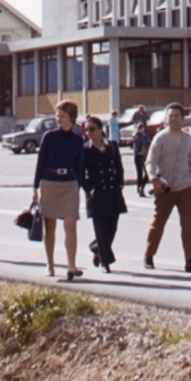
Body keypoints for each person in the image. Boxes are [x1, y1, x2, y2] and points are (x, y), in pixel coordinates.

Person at [144, 103, 191, 273]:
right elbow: (151, 160)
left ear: (183, 119)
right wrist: (153, 178)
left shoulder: (187, 138)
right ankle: (149, 255)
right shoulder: (160, 138)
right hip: (165, 188)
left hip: (185, 188)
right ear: (166, 118)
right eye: (171, 116)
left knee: (188, 225)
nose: (174, 119)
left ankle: (189, 260)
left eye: (177, 116)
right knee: (158, 223)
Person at [32, 100, 86, 280]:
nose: (59, 119)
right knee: (50, 225)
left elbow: (80, 166)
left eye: (63, 116)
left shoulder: (78, 140)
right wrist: (35, 187)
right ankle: (50, 264)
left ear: (72, 118)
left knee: (70, 222)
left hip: (70, 183)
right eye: (57, 116)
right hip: (49, 181)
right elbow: (40, 163)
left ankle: (71, 265)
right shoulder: (49, 137)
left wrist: (78, 186)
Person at [80, 116, 127, 272]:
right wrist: (90, 189)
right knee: (101, 229)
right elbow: (81, 174)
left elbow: (119, 166)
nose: (89, 133)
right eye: (86, 130)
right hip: (97, 194)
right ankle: (105, 262)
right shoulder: (85, 149)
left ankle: (96, 248)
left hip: (112, 191)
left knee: (112, 228)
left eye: (92, 129)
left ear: (101, 130)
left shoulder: (112, 146)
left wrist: (120, 183)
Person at [131, 121, 151, 196]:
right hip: (142, 156)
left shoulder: (136, 136)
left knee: (140, 173)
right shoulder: (142, 136)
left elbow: (135, 147)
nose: (140, 129)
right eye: (139, 128)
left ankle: (139, 188)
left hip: (139, 156)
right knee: (145, 173)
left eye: (141, 127)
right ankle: (141, 188)